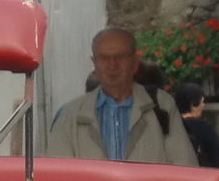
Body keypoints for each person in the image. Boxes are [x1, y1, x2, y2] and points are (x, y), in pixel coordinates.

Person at [52, 28, 198, 166]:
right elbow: (57, 179)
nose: (112, 65)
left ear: (135, 62)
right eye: (104, 58)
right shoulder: (71, 115)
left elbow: (186, 171)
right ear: (94, 64)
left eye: (120, 57)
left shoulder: (162, 106)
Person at [174, 82, 219, 170]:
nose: (203, 106)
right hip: (200, 177)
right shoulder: (204, 128)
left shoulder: (171, 126)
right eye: (202, 102)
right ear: (193, 105)